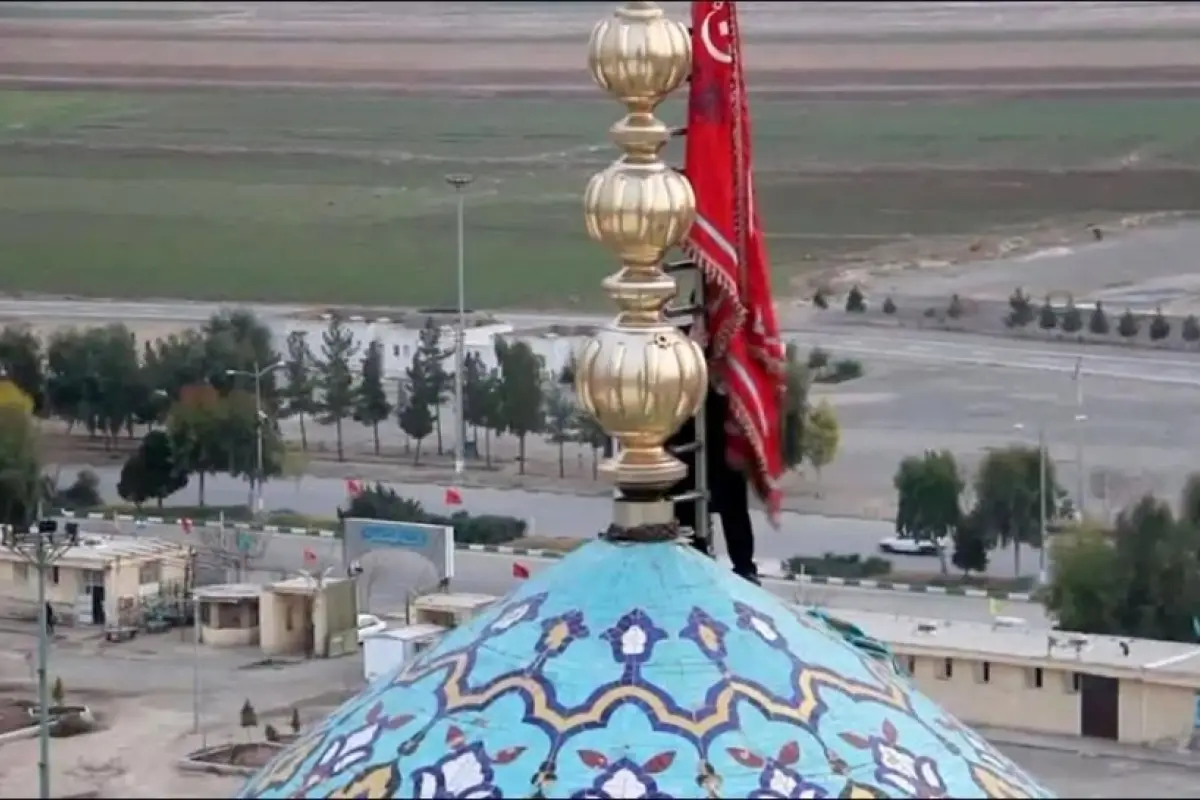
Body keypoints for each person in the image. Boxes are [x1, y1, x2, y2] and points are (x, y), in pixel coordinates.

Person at [667, 333, 759, 585]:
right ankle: (701, 560)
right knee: (690, 518)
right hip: (690, 464)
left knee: (732, 514)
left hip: (718, 463)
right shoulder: (683, 383)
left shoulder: (720, 385)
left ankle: (742, 568)